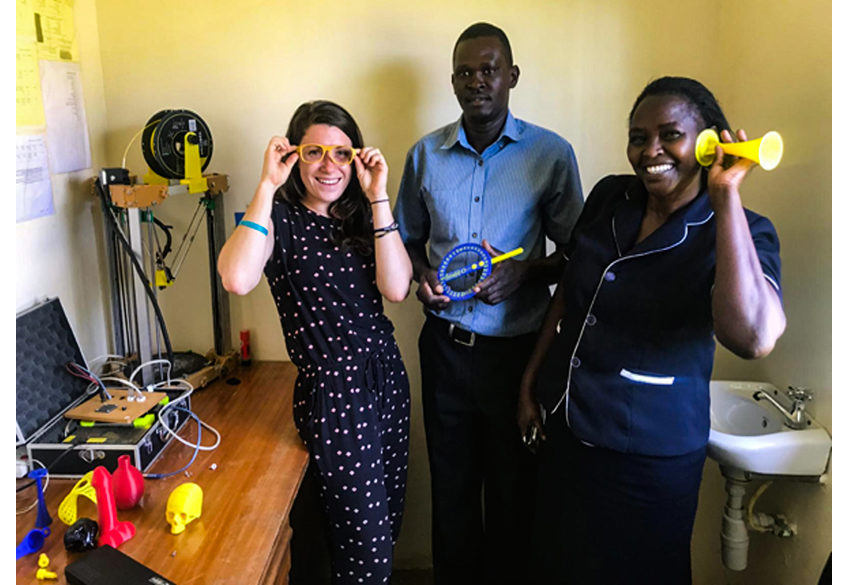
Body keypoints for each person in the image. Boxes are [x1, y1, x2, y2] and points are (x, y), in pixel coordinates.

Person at [518, 76, 786, 584]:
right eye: (639, 137)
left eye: (670, 135)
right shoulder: (609, 197)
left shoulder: (746, 230)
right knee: (556, 565)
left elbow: (752, 336)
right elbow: (569, 296)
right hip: (569, 434)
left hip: (649, 460)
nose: (651, 151)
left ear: (710, 142)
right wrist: (531, 384)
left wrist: (725, 195)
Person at [393, 22, 584, 585]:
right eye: (466, 72)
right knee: (451, 494)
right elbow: (402, 239)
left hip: (519, 357)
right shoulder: (425, 156)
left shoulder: (551, 155)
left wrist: (526, 272)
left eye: (489, 70)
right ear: (453, 81)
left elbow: (576, 255)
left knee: (514, 494)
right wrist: (423, 273)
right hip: (446, 350)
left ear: (512, 77)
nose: (477, 82)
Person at [217, 100, 413, 585]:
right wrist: (266, 184)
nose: (329, 165)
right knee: (366, 561)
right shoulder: (276, 220)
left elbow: (397, 288)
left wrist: (378, 196)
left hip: (387, 380)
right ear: (293, 156)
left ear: (356, 160)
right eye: (314, 151)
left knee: (383, 536)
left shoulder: (362, 217)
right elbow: (237, 278)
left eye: (342, 154)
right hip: (336, 398)